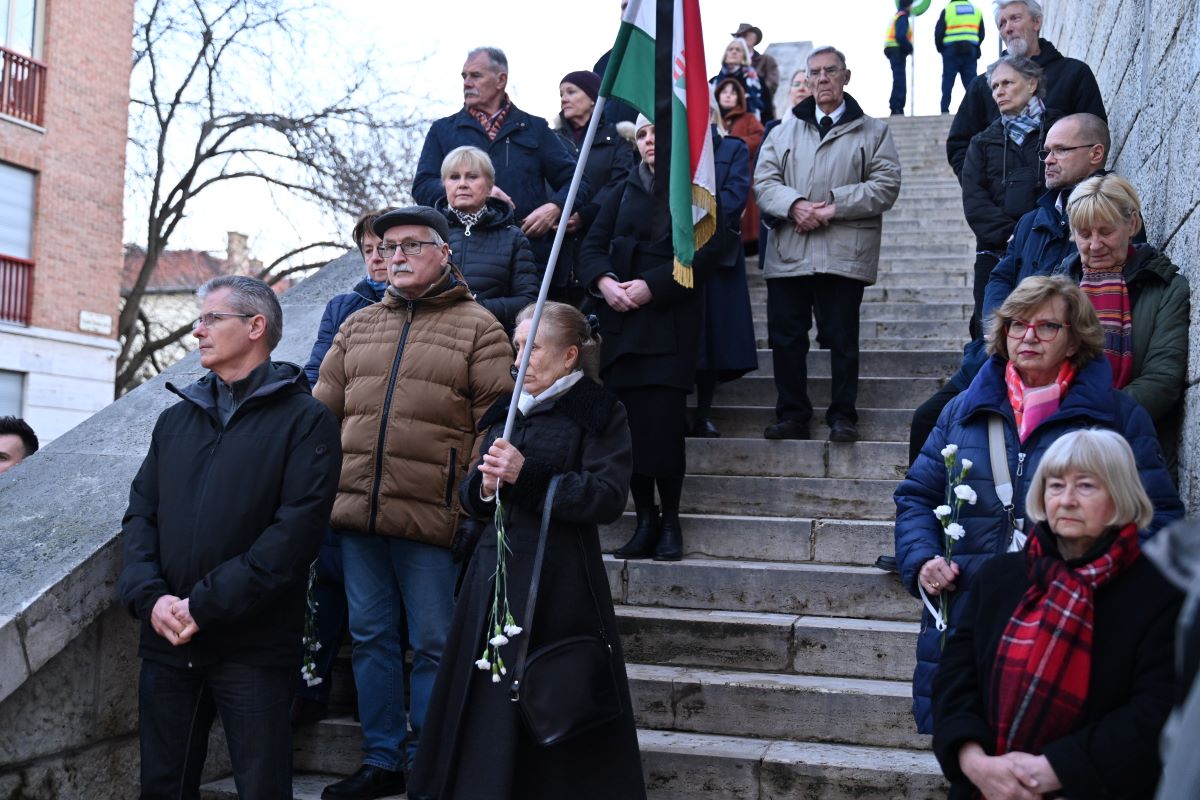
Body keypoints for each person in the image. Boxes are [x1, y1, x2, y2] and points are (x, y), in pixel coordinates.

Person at [894, 276, 1184, 734]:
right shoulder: (960, 411)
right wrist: (922, 559)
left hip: (1072, 625)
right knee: (968, 749)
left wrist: (1104, 586)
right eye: (1017, 325)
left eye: (1047, 327)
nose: (1028, 336)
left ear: (1074, 341)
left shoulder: (1118, 418)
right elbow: (916, 497)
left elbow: (1160, 519)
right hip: (969, 611)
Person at [313, 206, 514, 800]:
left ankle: (429, 758)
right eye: (388, 246)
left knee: (432, 641)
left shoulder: (480, 328)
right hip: (356, 514)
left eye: (410, 245)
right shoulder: (358, 325)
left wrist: (468, 500)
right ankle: (382, 758)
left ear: (444, 252)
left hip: (432, 516)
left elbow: (497, 421)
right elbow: (320, 418)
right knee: (371, 638)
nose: (395, 255)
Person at [407, 302, 645, 800]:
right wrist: (486, 487)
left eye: (533, 347)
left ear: (569, 356)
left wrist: (526, 474)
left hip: (558, 581)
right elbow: (472, 497)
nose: (520, 358)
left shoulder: (600, 412)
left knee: (543, 690)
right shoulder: (507, 409)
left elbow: (605, 497)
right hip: (490, 576)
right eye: (517, 347)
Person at [118, 275, 343, 799]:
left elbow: (294, 535)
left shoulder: (308, 421)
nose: (197, 331)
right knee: (163, 788)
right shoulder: (175, 420)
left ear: (256, 326)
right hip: (167, 639)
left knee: (262, 788)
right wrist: (151, 599)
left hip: (253, 646)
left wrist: (205, 604)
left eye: (210, 319)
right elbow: (140, 517)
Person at [932, 428, 1182, 799]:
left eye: (1085, 486)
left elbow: (1155, 710)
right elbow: (955, 677)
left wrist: (1055, 769)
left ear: (1120, 496)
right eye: (1054, 486)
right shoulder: (999, 578)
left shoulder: (1158, 593)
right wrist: (973, 761)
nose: (1066, 501)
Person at [905, 112, 1110, 467]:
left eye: (1060, 150)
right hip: (998, 351)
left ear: (1095, 154)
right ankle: (932, 518)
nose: (1047, 159)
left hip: (1056, 361)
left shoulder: (1109, 215)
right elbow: (1000, 276)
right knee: (928, 419)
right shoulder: (1034, 218)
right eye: (1046, 151)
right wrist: (1000, 326)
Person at [576, 116, 716, 562]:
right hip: (620, 330)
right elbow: (590, 248)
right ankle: (644, 520)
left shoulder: (696, 192)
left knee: (663, 434)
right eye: (643, 134)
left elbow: (706, 251)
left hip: (667, 330)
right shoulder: (619, 191)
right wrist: (605, 283)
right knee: (629, 434)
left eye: (659, 131)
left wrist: (653, 284)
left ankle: (671, 520)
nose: (651, 140)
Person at [754, 46, 902, 443]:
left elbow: (886, 185)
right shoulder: (781, 131)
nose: (821, 79)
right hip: (789, 252)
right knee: (785, 340)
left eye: (830, 71)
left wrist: (832, 208)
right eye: (814, 72)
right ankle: (792, 414)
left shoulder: (874, 130)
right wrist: (796, 205)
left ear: (846, 76)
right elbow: (765, 183)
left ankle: (843, 415)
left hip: (843, 253)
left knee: (842, 339)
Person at [295, 206, 397, 728]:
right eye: (369, 250)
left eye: (385, 247)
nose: (378, 258)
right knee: (326, 577)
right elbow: (316, 372)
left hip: (399, 467)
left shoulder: (426, 304)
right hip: (342, 458)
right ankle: (311, 686)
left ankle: (377, 699)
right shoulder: (343, 305)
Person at [1053, 174, 1191, 472]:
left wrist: (1086, 417)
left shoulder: (1165, 288)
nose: (1095, 244)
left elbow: (1162, 379)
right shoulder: (1054, 290)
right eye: (1084, 233)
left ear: (1132, 225)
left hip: (1131, 451)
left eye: (1106, 231)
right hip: (1054, 446)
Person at [413, 47, 588, 275]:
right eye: (464, 76)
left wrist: (556, 207)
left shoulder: (535, 128)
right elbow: (423, 186)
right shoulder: (443, 131)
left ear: (501, 80)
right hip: (461, 262)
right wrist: (475, 191)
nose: (466, 83)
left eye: (475, 75)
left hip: (526, 261)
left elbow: (577, 181)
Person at [946, 0, 1106, 180]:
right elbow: (959, 145)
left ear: (1036, 22)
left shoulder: (1074, 73)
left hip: (1064, 201)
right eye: (1002, 23)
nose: (1008, 28)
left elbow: (1095, 136)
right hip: (1002, 205)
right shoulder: (982, 86)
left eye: (1015, 18)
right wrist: (981, 190)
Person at [961, 56, 1054, 337]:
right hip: (995, 252)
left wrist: (1036, 234)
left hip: (1049, 246)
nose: (998, 91)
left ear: (1031, 83)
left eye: (1007, 83)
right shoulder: (981, 142)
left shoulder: (1058, 129)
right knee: (989, 333)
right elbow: (975, 202)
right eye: (995, 86)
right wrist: (1014, 236)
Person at [691, 120, 758, 438]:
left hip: (717, 253)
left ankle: (703, 413)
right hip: (673, 253)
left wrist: (696, 224)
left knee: (712, 338)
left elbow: (734, 198)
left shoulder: (732, 148)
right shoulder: (670, 146)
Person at [551, 70, 636, 306]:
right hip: (556, 247)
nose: (563, 98)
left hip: (600, 241)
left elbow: (620, 183)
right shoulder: (551, 140)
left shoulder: (618, 139)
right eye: (561, 94)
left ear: (592, 98)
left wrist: (585, 215)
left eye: (571, 91)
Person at [436, 146, 539, 330]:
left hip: (491, 339)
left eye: (472, 176)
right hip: (432, 339)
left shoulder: (513, 237)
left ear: (490, 186)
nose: (462, 184)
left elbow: (528, 301)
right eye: (454, 177)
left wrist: (476, 308)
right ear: (445, 184)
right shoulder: (429, 233)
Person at [714, 78, 764, 254]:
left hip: (742, 171)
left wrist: (736, 144)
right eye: (724, 91)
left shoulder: (748, 118)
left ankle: (749, 244)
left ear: (740, 97)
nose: (728, 95)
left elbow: (760, 137)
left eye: (733, 92)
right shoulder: (711, 118)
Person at [934, 1, 985, 114]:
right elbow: (981, 33)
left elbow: (939, 32)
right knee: (971, 82)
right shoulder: (976, 10)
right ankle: (976, 110)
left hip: (950, 50)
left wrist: (941, 49)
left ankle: (944, 110)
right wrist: (974, 45)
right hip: (970, 49)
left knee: (948, 81)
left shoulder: (948, 9)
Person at [732, 22, 779, 122]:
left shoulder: (766, 60)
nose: (741, 40)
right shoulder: (730, 64)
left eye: (745, 35)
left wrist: (752, 93)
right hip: (735, 115)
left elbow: (772, 84)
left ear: (754, 38)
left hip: (761, 114)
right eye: (738, 37)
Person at [710, 37, 765, 121]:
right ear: (725, 55)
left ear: (744, 56)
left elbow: (762, 106)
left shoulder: (755, 80)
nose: (734, 52)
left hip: (745, 125)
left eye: (738, 50)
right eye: (730, 49)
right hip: (717, 123)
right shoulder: (714, 81)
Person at [884, 0, 915, 116]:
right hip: (897, 50)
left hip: (892, 49)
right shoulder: (903, 17)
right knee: (900, 79)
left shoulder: (898, 16)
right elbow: (900, 36)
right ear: (909, 5)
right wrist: (909, 47)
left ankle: (896, 106)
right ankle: (897, 107)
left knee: (898, 79)